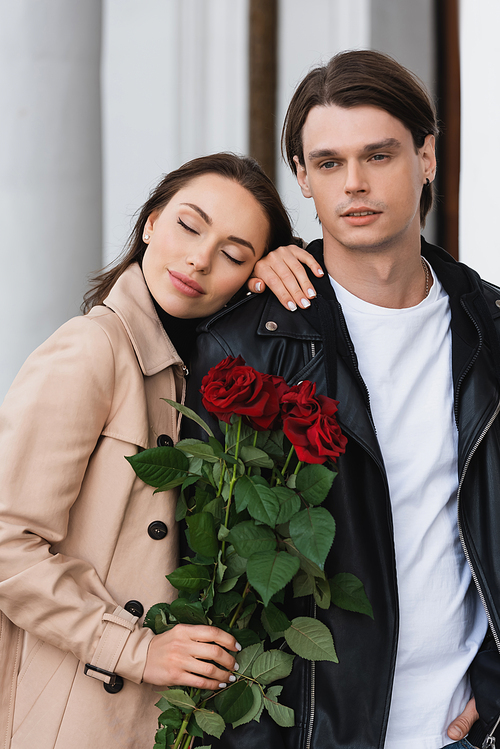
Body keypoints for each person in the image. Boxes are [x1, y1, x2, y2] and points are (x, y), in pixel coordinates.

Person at [186, 52, 500, 749]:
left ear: (427, 157)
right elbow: (207, 563)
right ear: (302, 175)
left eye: (379, 155)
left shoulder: (492, 331)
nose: (354, 183)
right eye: (328, 163)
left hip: (463, 731)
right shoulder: (247, 345)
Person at [0, 152, 322, 749]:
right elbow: (6, 544)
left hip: (162, 718)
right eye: (188, 225)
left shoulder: (197, 372)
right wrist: (136, 648)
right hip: (73, 714)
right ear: (150, 223)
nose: (199, 259)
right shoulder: (93, 350)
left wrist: (281, 274)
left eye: (233, 254)